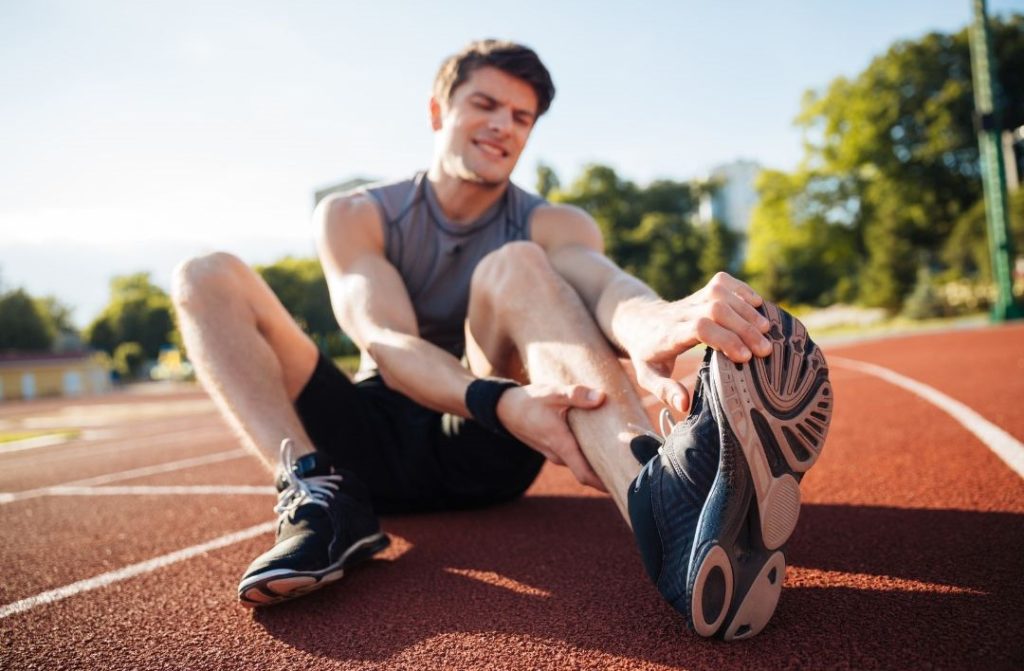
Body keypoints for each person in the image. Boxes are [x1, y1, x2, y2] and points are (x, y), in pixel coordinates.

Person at [171, 39, 831, 640]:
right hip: (371, 442)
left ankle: (667, 507)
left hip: (486, 447)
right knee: (205, 276)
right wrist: (499, 399)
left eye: (521, 117)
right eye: (485, 104)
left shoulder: (553, 221)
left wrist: (650, 322)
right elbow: (384, 339)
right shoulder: (355, 214)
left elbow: (601, 286)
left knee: (513, 264)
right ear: (438, 110)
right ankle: (317, 497)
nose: (502, 126)